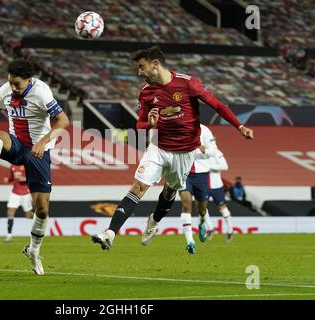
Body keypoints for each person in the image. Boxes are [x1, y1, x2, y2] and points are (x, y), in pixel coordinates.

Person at [91, 46, 253, 253]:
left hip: (185, 154)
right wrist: (149, 123)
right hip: (158, 148)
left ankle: (154, 220)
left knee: (170, 191)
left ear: (155, 65)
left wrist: (240, 126)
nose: (139, 72)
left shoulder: (188, 83)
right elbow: (139, 124)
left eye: (142, 67)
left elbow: (217, 105)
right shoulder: (146, 93)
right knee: (138, 187)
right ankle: (110, 233)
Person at [0, 58, 70, 275]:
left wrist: (43, 141)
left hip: (39, 151)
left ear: (29, 79)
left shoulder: (42, 92)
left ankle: (33, 251)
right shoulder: (6, 90)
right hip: (17, 144)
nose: (13, 87)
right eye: (10, 82)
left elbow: (64, 121)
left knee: (42, 210)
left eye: (17, 83)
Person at [141, 124, 217, 249]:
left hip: (201, 175)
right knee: (186, 203)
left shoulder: (205, 130)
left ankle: (202, 222)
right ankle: (190, 241)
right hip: (183, 171)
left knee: (202, 209)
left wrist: (205, 150)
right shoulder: (176, 126)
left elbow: (214, 151)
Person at [207, 143, 234, 241]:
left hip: (216, 185)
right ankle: (210, 227)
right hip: (203, 184)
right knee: (201, 206)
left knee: (222, 207)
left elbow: (225, 166)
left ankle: (230, 229)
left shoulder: (217, 153)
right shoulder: (198, 153)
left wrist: (209, 166)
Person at [4, 165, 34, 242]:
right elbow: (12, 177)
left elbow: (33, 177)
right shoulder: (12, 166)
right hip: (15, 193)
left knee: (28, 215)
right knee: (10, 211)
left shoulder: (27, 165)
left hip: (25, 193)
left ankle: (40, 221)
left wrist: (25, 179)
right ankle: (9, 235)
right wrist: (8, 180)